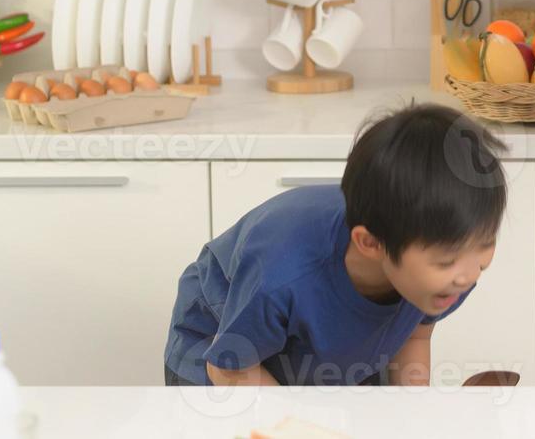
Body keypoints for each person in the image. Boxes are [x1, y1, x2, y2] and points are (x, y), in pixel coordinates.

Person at [164, 103, 506, 386]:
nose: (468, 275)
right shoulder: (282, 276)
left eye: (485, 245)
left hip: (329, 353)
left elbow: (415, 335)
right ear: (371, 244)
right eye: (446, 261)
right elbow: (228, 369)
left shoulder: (445, 270)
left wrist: (411, 418)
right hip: (224, 353)